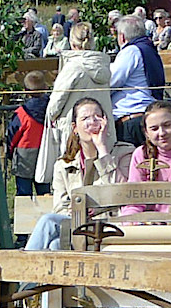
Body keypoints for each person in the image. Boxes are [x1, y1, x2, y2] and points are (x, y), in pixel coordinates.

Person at [26, 95, 125, 249]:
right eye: (85, 118)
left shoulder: (123, 154)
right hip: (76, 226)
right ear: (75, 127)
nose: (92, 122)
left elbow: (121, 192)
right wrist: (77, 212)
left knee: (49, 225)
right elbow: (59, 207)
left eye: (97, 117)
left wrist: (102, 150)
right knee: (56, 244)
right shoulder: (63, 165)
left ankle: (23, 262)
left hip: (110, 226)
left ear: (106, 122)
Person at [35, 22, 112, 178]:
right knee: (100, 172)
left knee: (73, 174)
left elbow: (54, 105)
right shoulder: (103, 66)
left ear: (71, 42)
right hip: (100, 127)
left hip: (74, 130)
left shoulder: (72, 68)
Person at [109, 16, 158, 145]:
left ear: (122, 36)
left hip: (131, 117)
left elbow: (112, 81)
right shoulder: (148, 48)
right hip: (146, 113)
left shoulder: (130, 51)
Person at [6, 70, 50, 196]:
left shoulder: (22, 113)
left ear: (25, 90)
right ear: (46, 87)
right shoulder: (52, 110)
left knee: (24, 194)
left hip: (24, 156)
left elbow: (13, 136)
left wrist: (9, 152)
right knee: (45, 193)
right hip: (45, 153)